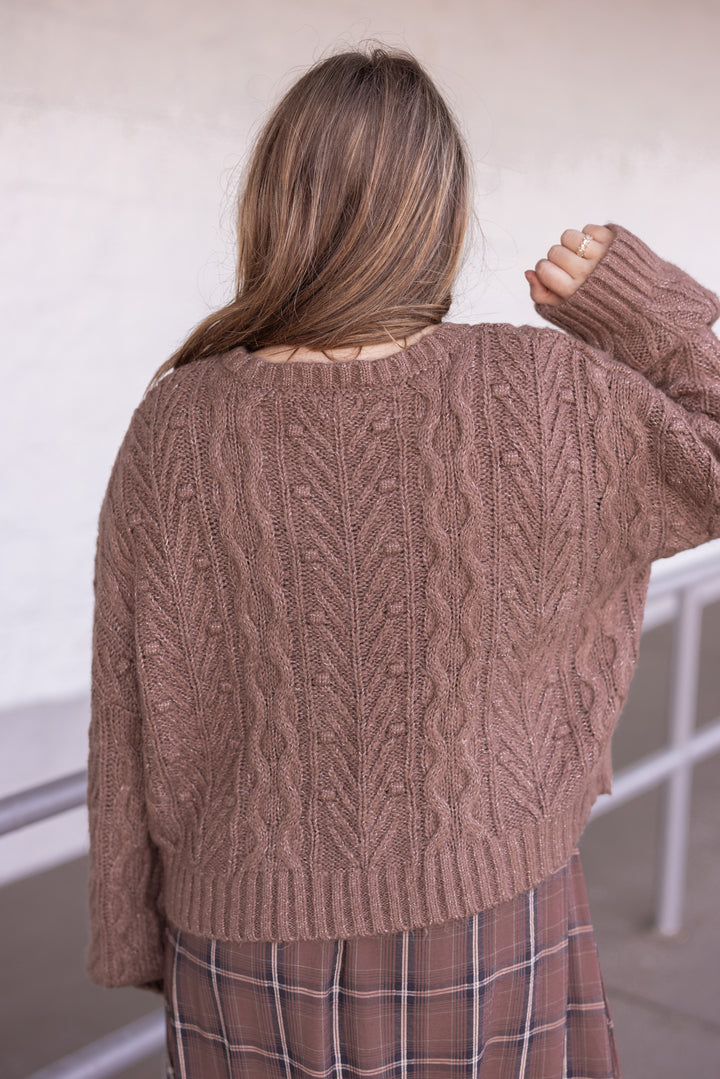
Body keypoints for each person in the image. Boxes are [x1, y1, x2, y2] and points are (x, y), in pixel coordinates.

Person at [86, 45, 720, 1079]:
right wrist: (646, 315)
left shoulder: (179, 420)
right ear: (442, 218)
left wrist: (131, 923)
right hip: (483, 912)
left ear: (272, 206)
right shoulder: (544, 391)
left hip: (238, 936)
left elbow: (128, 698)